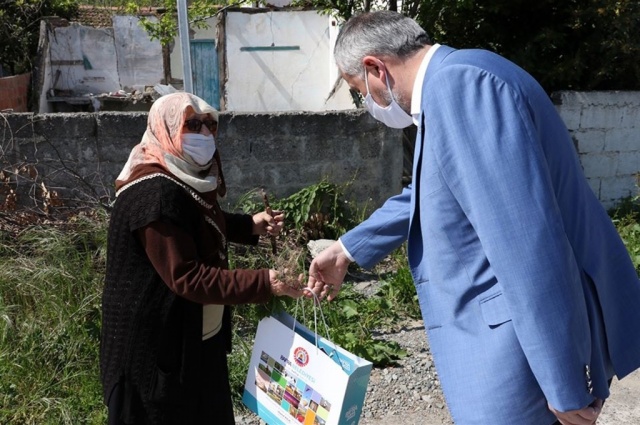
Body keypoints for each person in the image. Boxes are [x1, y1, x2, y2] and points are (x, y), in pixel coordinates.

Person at [307, 10, 640, 425]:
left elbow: (526, 242)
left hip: (513, 357)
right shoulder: (464, 75)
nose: (368, 103)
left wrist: (562, 380)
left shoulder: (461, 88)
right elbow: (430, 192)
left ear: (376, 68)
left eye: (360, 90)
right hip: (511, 347)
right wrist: (347, 248)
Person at [100, 92, 304, 425]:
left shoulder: (181, 179)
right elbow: (188, 277)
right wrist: (267, 281)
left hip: (195, 343)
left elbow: (198, 223)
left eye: (210, 125)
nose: (205, 134)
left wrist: (250, 226)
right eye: (191, 124)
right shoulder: (154, 193)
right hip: (157, 358)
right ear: (165, 129)